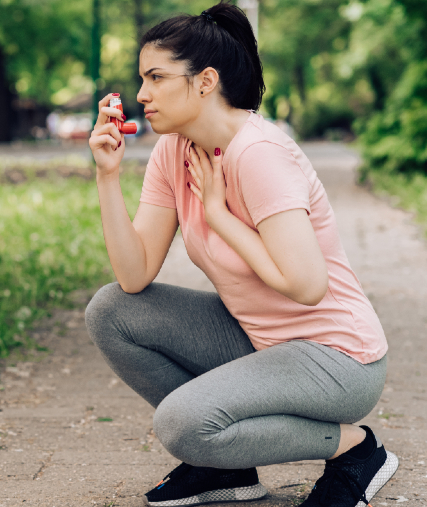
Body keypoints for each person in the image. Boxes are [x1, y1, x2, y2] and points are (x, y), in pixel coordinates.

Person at [84, 2, 398, 507]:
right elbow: (134, 275)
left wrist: (219, 215)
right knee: (112, 311)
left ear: (205, 81)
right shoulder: (174, 150)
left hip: (338, 361)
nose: (141, 94)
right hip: (262, 341)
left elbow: (307, 285)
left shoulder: (259, 154)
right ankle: (222, 470)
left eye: (156, 77)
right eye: (141, 79)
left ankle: (357, 451)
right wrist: (107, 175)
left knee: (182, 424)